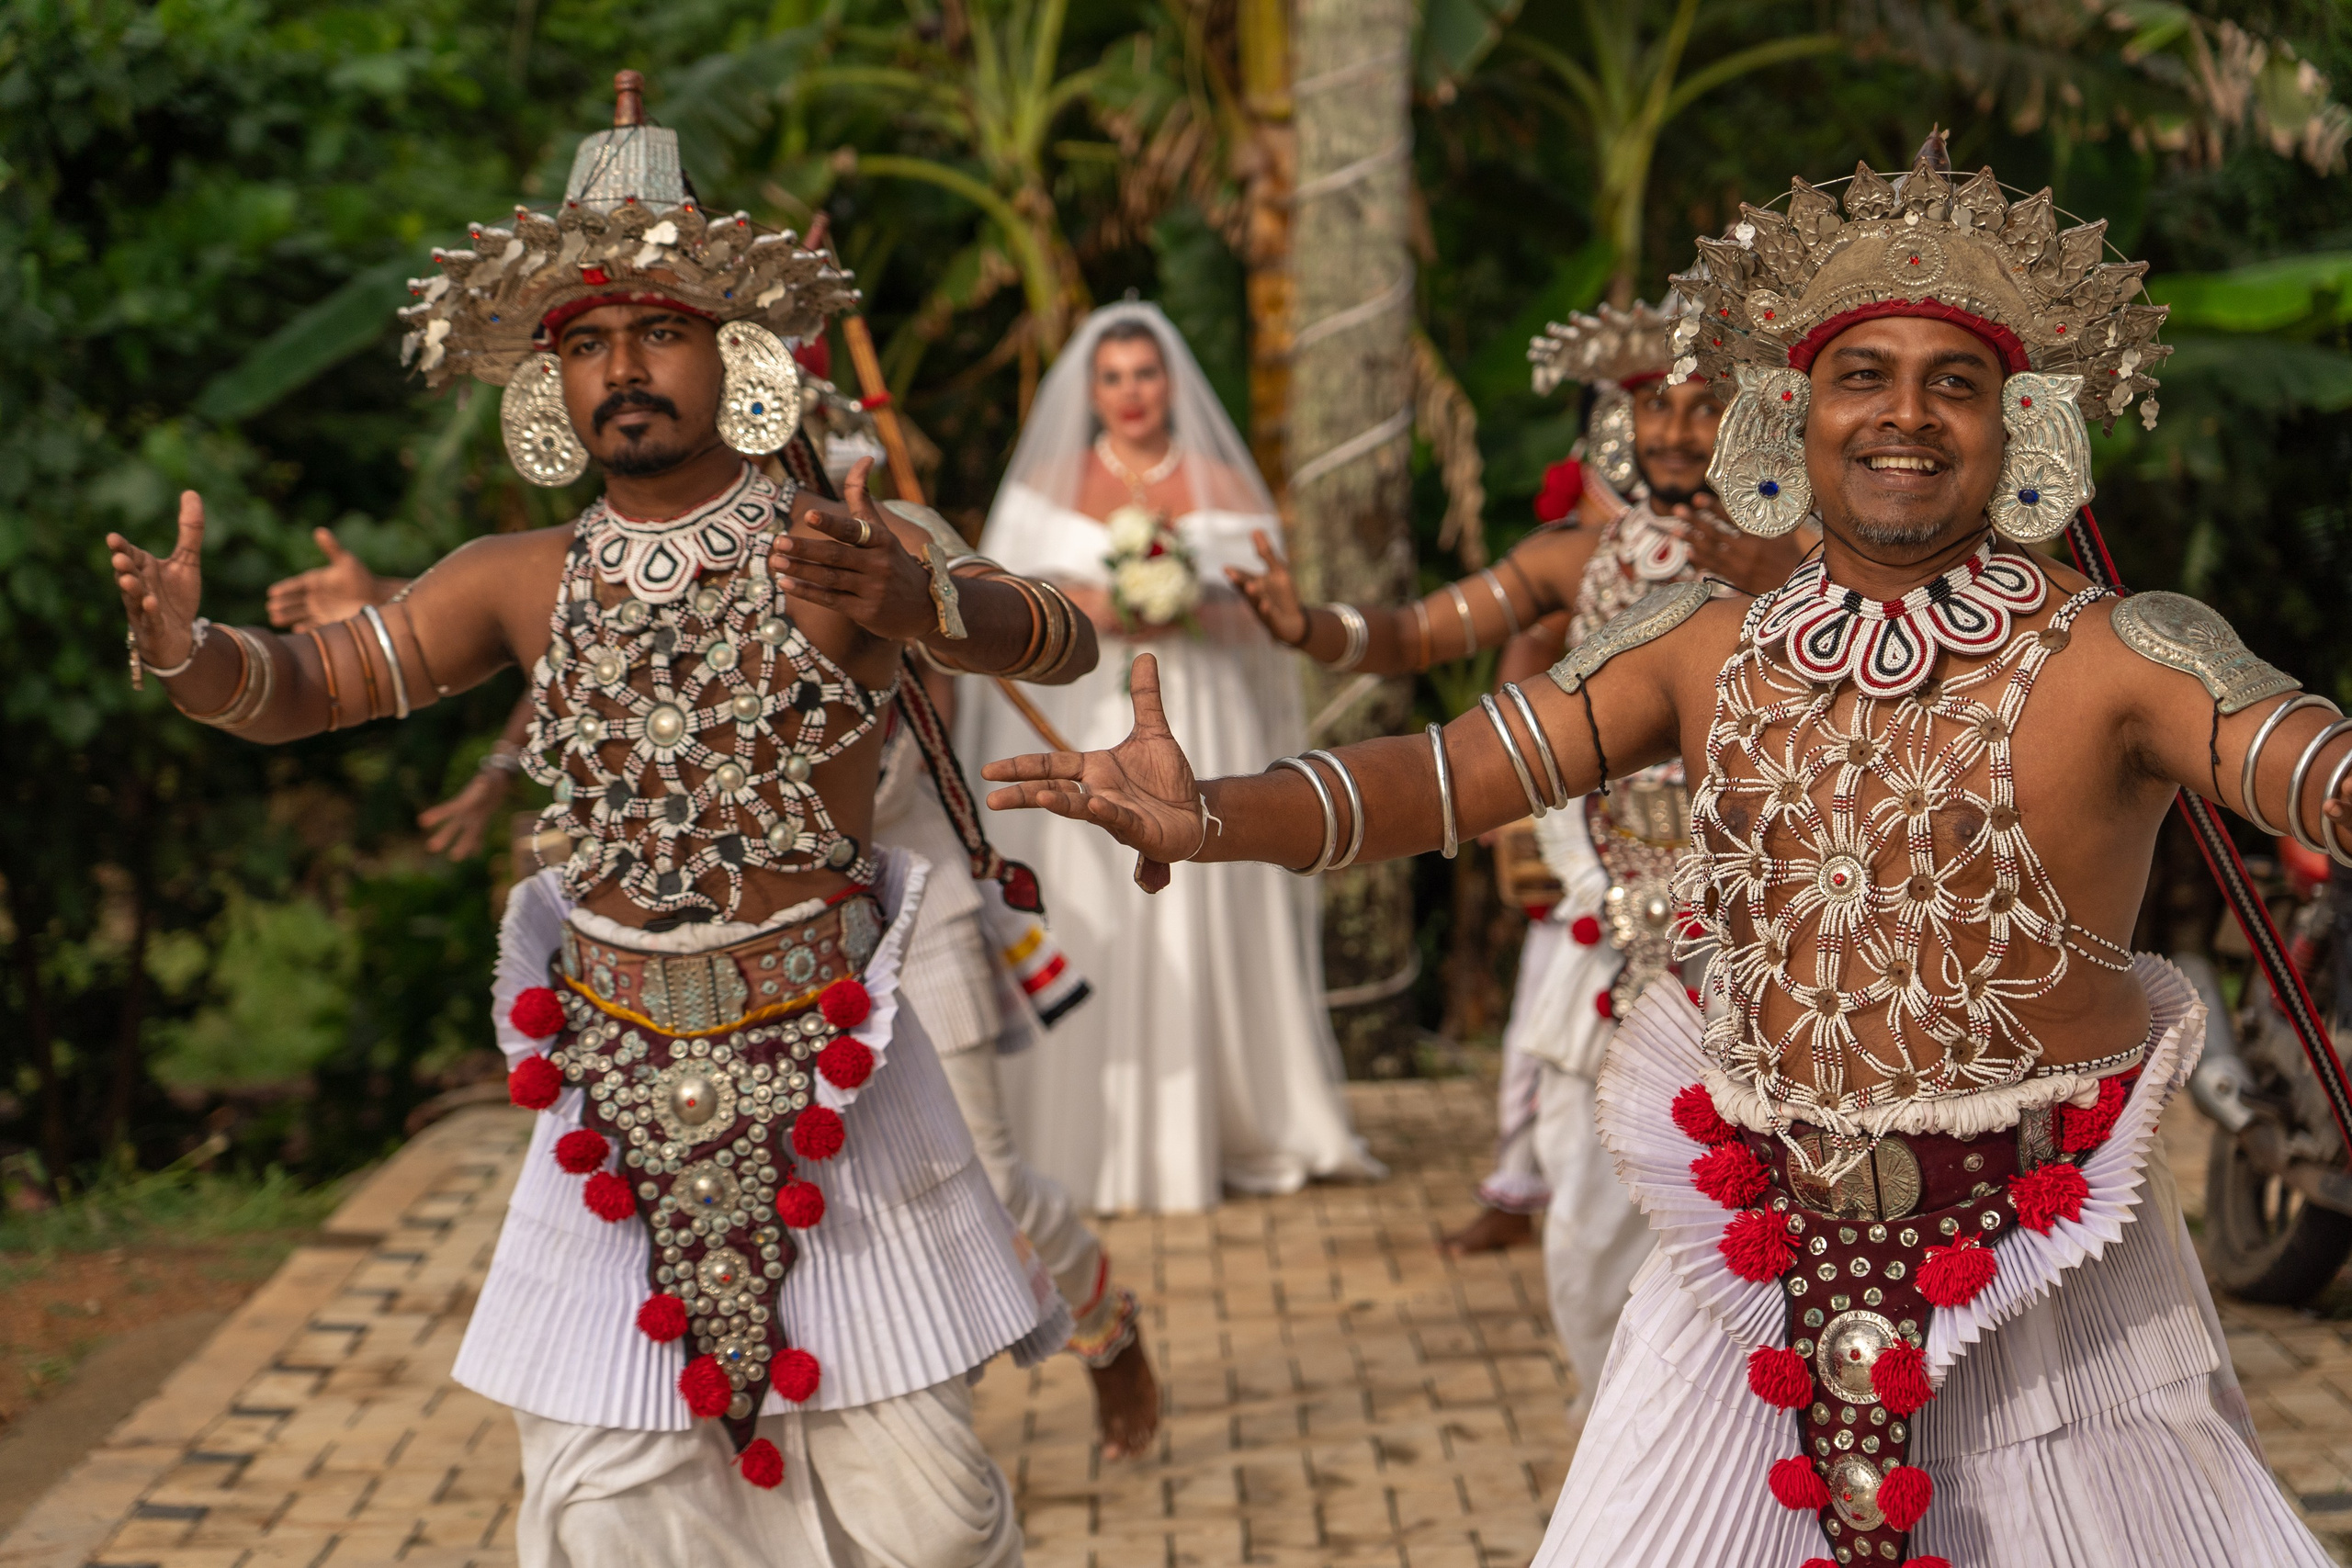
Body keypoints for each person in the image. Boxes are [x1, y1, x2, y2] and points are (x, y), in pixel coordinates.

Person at [981, 132, 2340, 1565]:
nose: (1907, 415)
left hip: (2058, 1285)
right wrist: (1214, 812)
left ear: (2025, 429)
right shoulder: (1697, 643)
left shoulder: (2128, 652)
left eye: (1959, 382)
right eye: (1860, 375)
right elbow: (1441, 779)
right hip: (1748, 1258)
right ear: (1790, 414)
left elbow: (2313, 769)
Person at [112, 76, 1103, 1567]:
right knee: (613, 1517)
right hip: (611, 1091)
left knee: (927, 1524)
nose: (621, 369)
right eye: (586, 343)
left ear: (736, 355)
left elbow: (1062, 640)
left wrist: (919, 600)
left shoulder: (839, 545)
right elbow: (314, 683)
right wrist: (193, 657)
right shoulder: (515, 575)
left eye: (657, 332)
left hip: (832, 1066)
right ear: (550, 388)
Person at [266, 469, 1165, 1465]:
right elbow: (579, 639)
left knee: (985, 1179)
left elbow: (1019, 636)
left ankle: (1096, 1319)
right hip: (719, 953)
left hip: (901, 900)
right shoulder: (630, 532)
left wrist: (915, 600)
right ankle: (822, 1452)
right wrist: (397, 616)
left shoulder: (854, 505)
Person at [1230, 301, 1809, 1412]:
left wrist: (1785, 568)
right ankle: (1629, 1446)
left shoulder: (1812, 556)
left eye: (1704, 407)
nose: (1677, 432)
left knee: (1759, 1220)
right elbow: (1412, 637)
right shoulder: (1571, 558)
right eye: (1653, 408)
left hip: (1763, 938)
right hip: (1603, 933)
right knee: (1588, 1235)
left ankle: (1753, 1445)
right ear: (1616, 427)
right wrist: (1303, 625)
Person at [956, 300, 1381, 1213]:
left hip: (1203, 715)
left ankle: (1227, 1120)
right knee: (1093, 897)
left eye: (1143, 374)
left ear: (1169, 381)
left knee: (1206, 900)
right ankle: (1085, 1139)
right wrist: (1088, 608)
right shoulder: (1048, 484)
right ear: (1092, 390)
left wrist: (1185, 599)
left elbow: (1268, 613)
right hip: (1084, 714)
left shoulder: (1223, 483)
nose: (1130, 393)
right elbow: (989, 608)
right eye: (1112, 377)